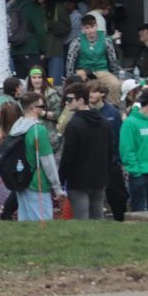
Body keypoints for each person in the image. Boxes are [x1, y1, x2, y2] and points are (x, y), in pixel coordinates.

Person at [57, 82, 110, 220]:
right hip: (99, 178)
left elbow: (68, 155)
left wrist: (61, 178)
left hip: (78, 180)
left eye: (70, 99)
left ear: (81, 100)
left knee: (82, 219)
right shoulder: (104, 122)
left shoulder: (74, 125)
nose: (67, 103)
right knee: (98, 217)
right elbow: (110, 150)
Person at [8, 92, 64, 221]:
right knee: (43, 226)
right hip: (38, 184)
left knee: (25, 224)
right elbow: (48, 161)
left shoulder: (16, 127)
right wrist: (57, 188)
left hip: (21, 181)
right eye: (42, 106)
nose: (44, 109)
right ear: (34, 108)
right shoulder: (39, 130)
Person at [89, 80, 128, 221]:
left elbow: (118, 137)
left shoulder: (112, 112)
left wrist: (118, 160)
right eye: (89, 92)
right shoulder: (85, 112)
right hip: (92, 164)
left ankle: (120, 221)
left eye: (94, 91)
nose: (90, 95)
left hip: (111, 163)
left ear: (102, 94)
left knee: (118, 197)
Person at [65, 15, 120, 103]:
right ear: (83, 28)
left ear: (96, 26)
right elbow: (70, 60)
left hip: (102, 70)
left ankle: (112, 108)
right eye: (87, 28)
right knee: (78, 85)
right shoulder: (77, 41)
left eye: (92, 27)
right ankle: (83, 106)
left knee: (115, 84)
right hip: (83, 70)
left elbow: (113, 59)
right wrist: (70, 78)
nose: (90, 30)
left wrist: (116, 75)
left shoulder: (106, 39)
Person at [9, 0, 47, 79]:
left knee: (20, 82)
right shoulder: (33, 7)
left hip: (14, 49)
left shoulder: (10, 6)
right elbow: (40, 31)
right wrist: (43, 50)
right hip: (31, 49)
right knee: (35, 81)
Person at [36, 0, 71, 84]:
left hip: (54, 49)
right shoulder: (34, 8)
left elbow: (66, 27)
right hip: (38, 50)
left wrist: (50, 25)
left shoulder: (58, 8)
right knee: (38, 83)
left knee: (55, 83)